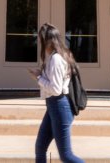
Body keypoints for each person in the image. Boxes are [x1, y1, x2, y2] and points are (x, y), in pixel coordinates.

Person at [30, 23, 85, 163]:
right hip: (54, 106)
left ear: (46, 40)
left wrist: (38, 78)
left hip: (59, 106)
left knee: (66, 155)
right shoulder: (60, 56)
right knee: (40, 147)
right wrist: (41, 74)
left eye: (40, 39)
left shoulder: (56, 59)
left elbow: (55, 89)